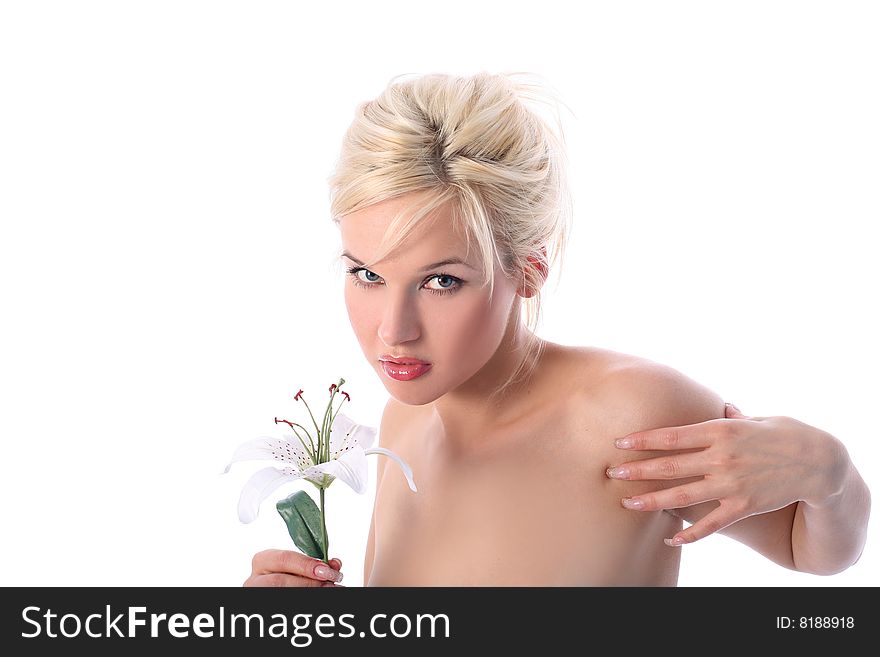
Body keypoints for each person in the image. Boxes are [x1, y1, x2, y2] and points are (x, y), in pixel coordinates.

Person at [244, 71, 870, 587]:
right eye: (367, 275)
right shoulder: (401, 424)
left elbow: (807, 549)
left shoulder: (624, 415)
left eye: (442, 281)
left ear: (530, 268)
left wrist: (831, 475)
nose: (395, 331)